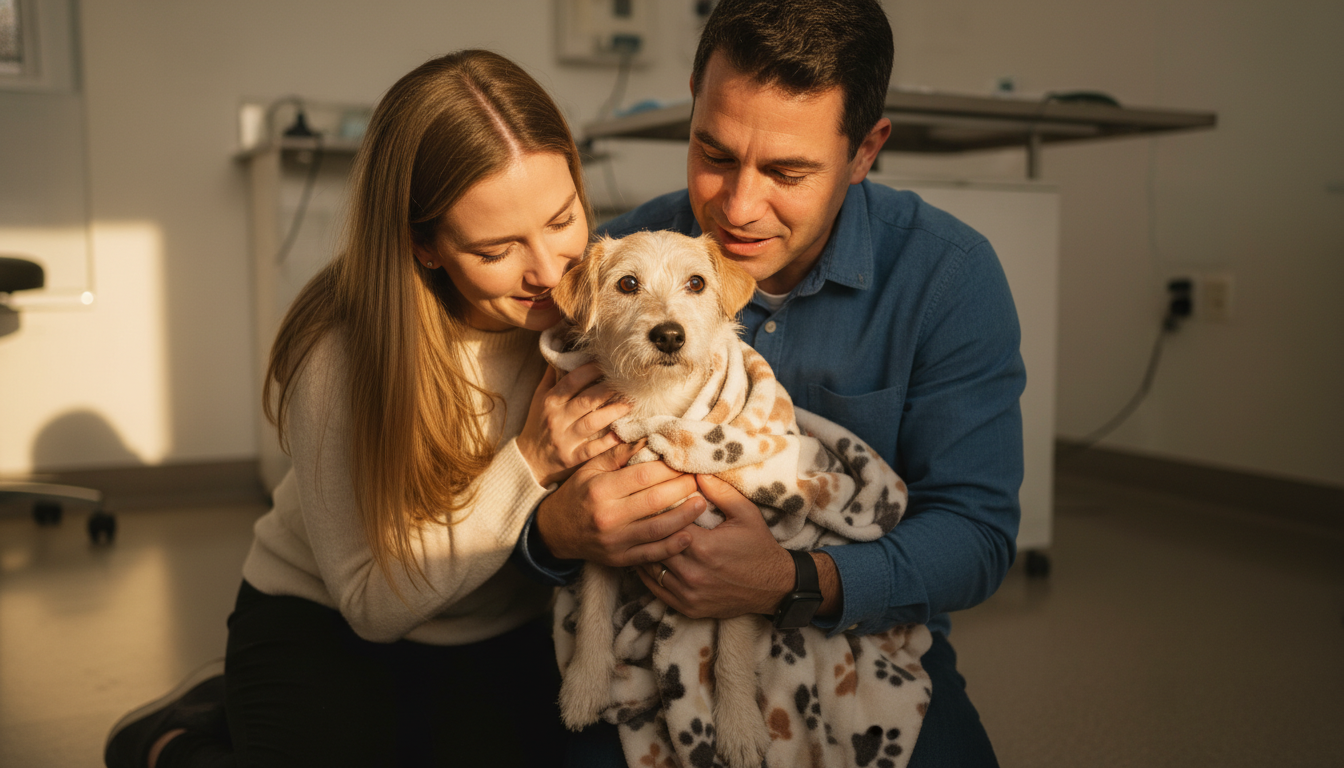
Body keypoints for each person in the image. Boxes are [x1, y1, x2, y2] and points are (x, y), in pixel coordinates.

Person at [103, 50, 706, 768]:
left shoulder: (607, 298)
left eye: (561, 218)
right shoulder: (339, 354)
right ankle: (176, 738)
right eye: (496, 248)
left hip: (503, 626)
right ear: (425, 245)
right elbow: (371, 605)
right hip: (328, 623)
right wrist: (532, 460)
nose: (548, 273)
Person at [519, 1, 1025, 765]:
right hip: (633, 626)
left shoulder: (948, 277)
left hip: (858, 623)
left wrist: (792, 580)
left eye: (788, 172)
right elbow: (520, 493)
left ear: (865, 150)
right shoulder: (629, 264)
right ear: (693, 98)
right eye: (714, 153)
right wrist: (555, 527)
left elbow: (978, 536)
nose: (737, 207)